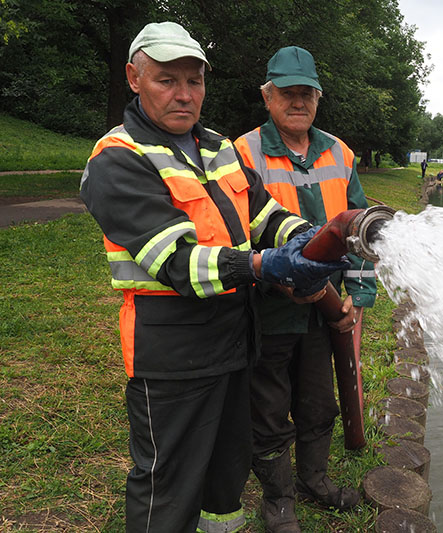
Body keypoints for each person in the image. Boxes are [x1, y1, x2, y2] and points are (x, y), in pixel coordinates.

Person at [80, 23, 346, 533]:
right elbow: (176, 260)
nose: (184, 94)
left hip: (235, 342)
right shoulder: (118, 157)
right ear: (134, 78)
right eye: (166, 80)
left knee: (226, 477)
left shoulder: (217, 145)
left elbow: (264, 214)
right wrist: (264, 266)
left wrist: (314, 236)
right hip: (173, 358)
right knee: (168, 483)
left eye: (194, 81)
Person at [234, 46, 376, 532]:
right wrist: (281, 275)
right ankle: (279, 500)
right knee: (269, 403)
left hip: (326, 308)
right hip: (269, 305)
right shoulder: (242, 153)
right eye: (287, 92)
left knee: (318, 401)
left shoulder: (340, 153)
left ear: (318, 97)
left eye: (307, 93)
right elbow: (235, 231)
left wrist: (357, 295)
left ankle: (314, 479)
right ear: (267, 96)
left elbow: (362, 233)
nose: (298, 101)